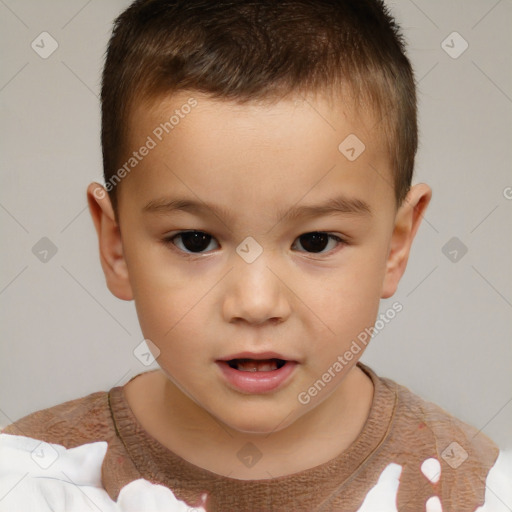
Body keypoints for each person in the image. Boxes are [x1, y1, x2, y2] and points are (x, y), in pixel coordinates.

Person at [1, 0, 510, 510]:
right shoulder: (29, 480)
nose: (257, 302)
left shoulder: (474, 488)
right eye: (195, 241)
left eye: (315, 241)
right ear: (116, 245)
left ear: (396, 245)